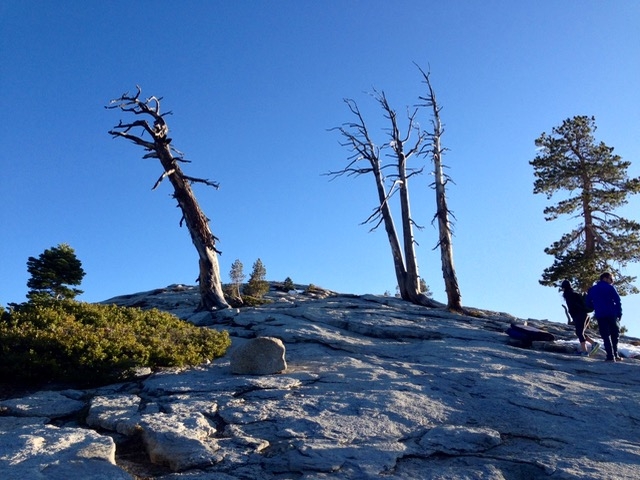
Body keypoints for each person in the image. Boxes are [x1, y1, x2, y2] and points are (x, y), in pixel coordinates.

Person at [586, 272, 623, 362]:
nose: (612, 281)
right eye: (611, 279)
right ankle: (615, 354)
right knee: (615, 334)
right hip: (611, 313)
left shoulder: (592, 289)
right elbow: (618, 300)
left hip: (600, 315)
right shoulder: (610, 288)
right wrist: (619, 312)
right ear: (605, 278)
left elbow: (587, 302)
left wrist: (595, 306)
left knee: (605, 336)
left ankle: (610, 356)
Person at [561, 280, 599, 357]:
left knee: (579, 332)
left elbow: (574, 307)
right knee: (579, 332)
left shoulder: (569, 295)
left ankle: (585, 351)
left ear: (563, 288)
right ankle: (594, 344)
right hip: (584, 315)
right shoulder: (575, 294)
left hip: (579, 315)